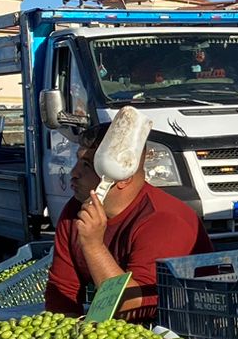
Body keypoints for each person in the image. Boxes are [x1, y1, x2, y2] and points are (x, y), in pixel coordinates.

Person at [45, 120, 209, 322]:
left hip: (178, 331)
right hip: (117, 335)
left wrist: (93, 246)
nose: (74, 173)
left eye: (87, 165)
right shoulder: (77, 209)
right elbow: (63, 292)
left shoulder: (164, 220)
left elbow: (135, 307)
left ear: (123, 178)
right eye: (77, 161)